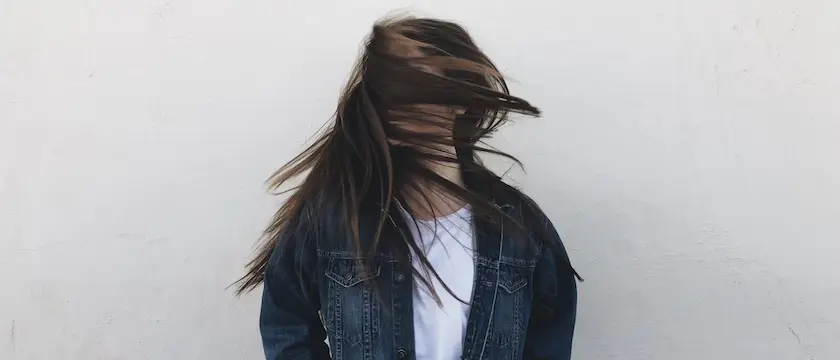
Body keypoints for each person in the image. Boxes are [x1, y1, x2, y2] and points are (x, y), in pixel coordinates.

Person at [236, 15, 580, 360]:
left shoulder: (523, 232)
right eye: (388, 85)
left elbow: (549, 340)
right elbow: (287, 326)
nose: (397, 100)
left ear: (462, 99)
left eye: (416, 81)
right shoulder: (332, 219)